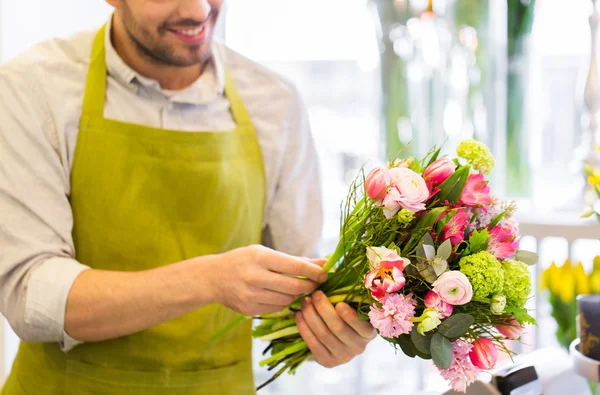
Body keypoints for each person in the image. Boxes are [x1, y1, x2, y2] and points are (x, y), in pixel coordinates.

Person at [0, 1, 376, 394]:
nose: (198, 10)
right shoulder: (33, 88)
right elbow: (31, 295)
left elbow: (301, 290)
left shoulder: (275, 101)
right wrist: (210, 279)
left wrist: (330, 334)